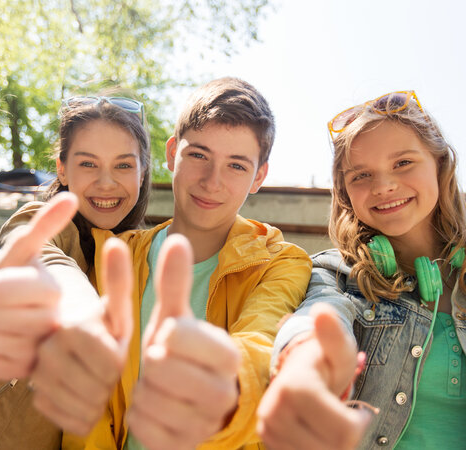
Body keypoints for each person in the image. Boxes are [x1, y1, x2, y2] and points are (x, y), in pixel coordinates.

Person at [30, 77, 313, 449]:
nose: (212, 182)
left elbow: (262, 342)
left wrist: (221, 382)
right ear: (171, 153)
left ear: (259, 175)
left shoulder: (281, 263)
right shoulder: (117, 254)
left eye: (236, 166)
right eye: (198, 155)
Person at [0, 95, 151, 449]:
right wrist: (83, 313)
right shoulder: (40, 219)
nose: (106, 182)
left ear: (143, 172)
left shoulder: (142, 252)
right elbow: (40, 256)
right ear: (62, 169)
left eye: (124, 166)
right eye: (88, 164)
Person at [257, 91, 466, 449]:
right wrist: (303, 367)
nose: (383, 186)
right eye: (361, 175)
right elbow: (317, 319)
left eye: (403, 163)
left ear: (440, 164)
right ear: (344, 193)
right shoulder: (336, 274)